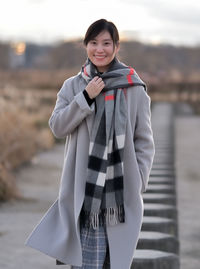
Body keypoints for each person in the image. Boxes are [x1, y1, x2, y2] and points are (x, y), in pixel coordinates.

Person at [25, 19, 155, 269]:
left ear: (116, 47)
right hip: (84, 195)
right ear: (85, 46)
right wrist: (85, 98)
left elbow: (144, 141)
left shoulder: (134, 88)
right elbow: (58, 127)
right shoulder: (73, 85)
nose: (100, 49)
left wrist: (138, 181)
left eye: (106, 43)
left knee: (114, 262)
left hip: (120, 196)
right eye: (93, 43)